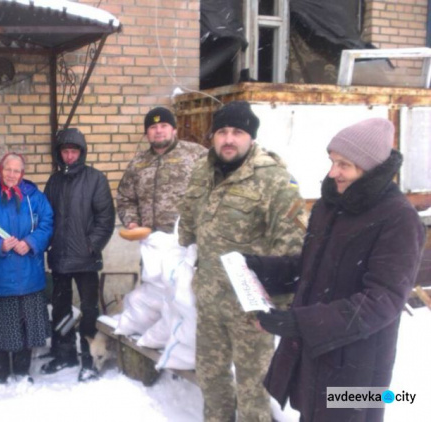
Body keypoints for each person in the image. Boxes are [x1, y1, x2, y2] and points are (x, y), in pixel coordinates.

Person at [247, 118, 426, 421]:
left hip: (358, 369)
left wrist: (298, 323)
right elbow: (308, 268)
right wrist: (257, 267)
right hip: (316, 357)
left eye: (344, 164)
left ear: (370, 167)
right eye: (332, 162)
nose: (333, 173)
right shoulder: (330, 205)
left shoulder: (398, 218)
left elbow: (381, 302)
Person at [177, 101, 307, 421]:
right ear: (213, 136)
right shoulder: (203, 171)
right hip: (210, 300)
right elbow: (190, 217)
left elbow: (292, 248)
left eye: (238, 132)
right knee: (212, 378)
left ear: (251, 137)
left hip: (251, 309)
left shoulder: (275, 179)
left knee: (254, 389)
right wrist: (186, 246)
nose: (229, 139)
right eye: (222, 132)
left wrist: (278, 307)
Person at [0, 153, 53, 390]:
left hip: (29, 275)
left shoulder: (35, 198)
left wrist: (32, 242)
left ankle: (22, 372)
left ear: (22, 173)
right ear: (0, 169)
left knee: (27, 327)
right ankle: (0, 375)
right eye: (8, 169)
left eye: (17, 170)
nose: (11, 175)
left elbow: (47, 224)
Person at [40, 128, 115, 381]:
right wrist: (47, 244)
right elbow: (45, 218)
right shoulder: (54, 181)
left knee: (88, 312)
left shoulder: (96, 179)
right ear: (59, 154)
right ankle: (64, 354)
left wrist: (91, 246)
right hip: (60, 259)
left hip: (86, 261)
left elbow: (106, 219)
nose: (69, 156)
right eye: (65, 151)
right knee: (60, 310)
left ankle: (90, 359)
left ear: (81, 152)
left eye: (74, 151)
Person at [116, 106, 208, 233]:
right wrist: (132, 223)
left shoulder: (197, 154)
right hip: (150, 241)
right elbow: (125, 199)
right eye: (153, 127)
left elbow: (216, 193)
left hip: (186, 242)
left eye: (164, 125)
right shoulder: (138, 162)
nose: (158, 131)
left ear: (174, 130)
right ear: (146, 134)